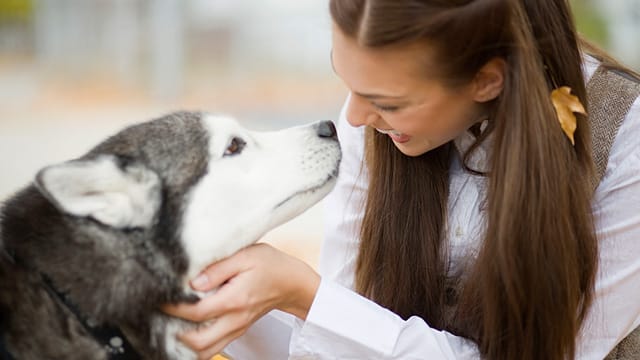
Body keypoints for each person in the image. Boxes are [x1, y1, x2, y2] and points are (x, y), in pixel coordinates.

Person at [163, 0, 640, 359]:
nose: (352, 119)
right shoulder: (375, 128)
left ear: (487, 81)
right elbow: (342, 337)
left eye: (388, 103)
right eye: (346, 83)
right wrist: (233, 297)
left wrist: (305, 297)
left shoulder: (623, 140)